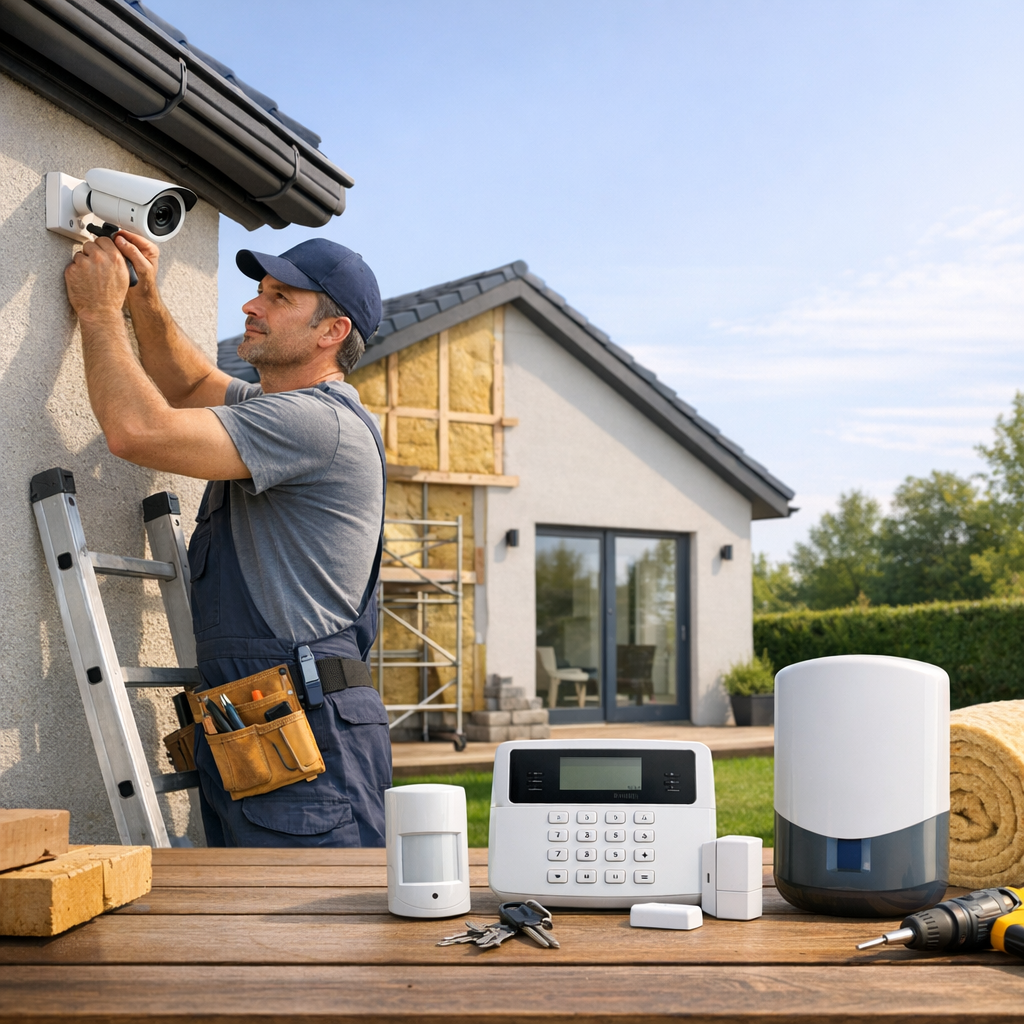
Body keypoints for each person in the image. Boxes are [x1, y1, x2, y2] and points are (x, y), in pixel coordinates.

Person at [63, 229, 392, 847]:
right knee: (256, 930)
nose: (251, 306)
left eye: (279, 297)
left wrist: (98, 310)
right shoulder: (277, 410)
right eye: (258, 291)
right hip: (261, 721)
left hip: (304, 733)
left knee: (317, 938)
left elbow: (137, 430)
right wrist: (142, 296)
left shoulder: (313, 422)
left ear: (332, 332)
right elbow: (186, 386)